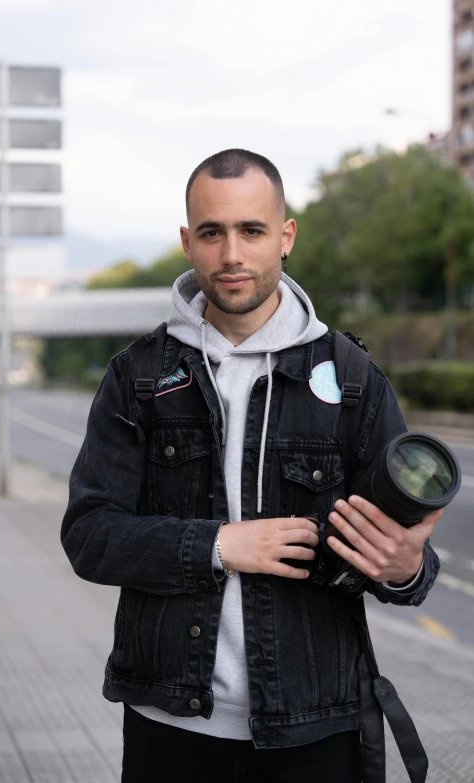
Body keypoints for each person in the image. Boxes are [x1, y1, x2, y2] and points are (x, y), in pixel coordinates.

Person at [61, 149, 441, 783]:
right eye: (212, 232)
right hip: (172, 725)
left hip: (317, 724)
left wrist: (403, 570)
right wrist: (217, 545)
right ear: (188, 242)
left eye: (252, 230)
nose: (231, 254)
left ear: (285, 237)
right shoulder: (140, 375)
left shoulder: (352, 380)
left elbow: (409, 565)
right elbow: (88, 536)